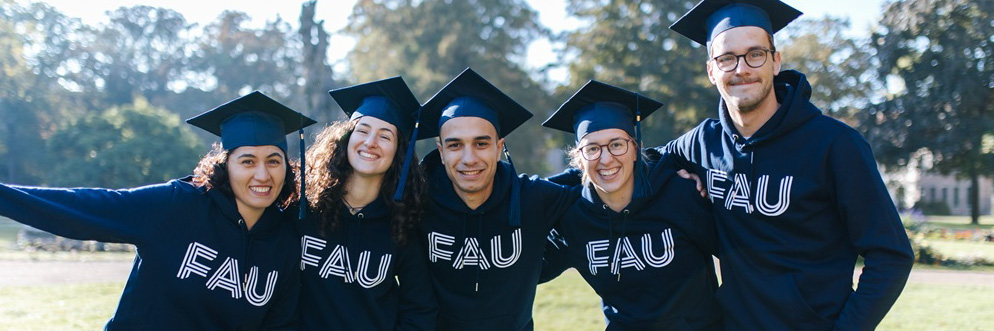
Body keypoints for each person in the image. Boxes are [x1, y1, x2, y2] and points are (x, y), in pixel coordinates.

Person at [666, 0, 915, 329]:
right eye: (726, 58)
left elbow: (891, 255)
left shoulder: (836, 145)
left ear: (775, 61)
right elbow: (637, 163)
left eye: (755, 54)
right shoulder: (701, 144)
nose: (741, 69)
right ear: (712, 71)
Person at [0, 91, 316, 329]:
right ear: (225, 165)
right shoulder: (177, 206)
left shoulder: (284, 241)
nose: (262, 175)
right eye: (247, 161)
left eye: (273, 161)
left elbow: (279, 325)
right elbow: (85, 207)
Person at [539, 80, 721, 330]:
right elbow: (524, 271)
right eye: (592, 149)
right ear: (579, 160)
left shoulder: (679, 195)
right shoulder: (573, 218)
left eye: (616, 144)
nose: (605, 159)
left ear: (636, 149)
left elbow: (741, 260)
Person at [415, 68, 577, 330]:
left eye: (481, 143)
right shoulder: (417, 205)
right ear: (441, 151)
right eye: (455, 145)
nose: (469, 158)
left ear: (499, 147)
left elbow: (597, 180)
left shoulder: (533, 197)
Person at [296, 76, 437, 329]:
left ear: (398, 152)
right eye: (362, 131)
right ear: (346, 139)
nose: (370, 142)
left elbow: (420, 309)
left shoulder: (401, 225)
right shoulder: (305, 208)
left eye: (385, 136)